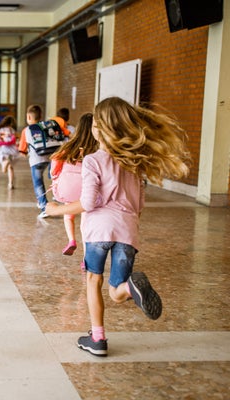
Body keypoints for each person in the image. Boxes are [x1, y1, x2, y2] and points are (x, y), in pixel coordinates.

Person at [46, 97, 191, 357]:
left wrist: (57, 210)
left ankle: (98, 338)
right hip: (128, 231)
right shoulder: (135, 163)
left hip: (99, 231)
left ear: (99, 129)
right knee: (115, 291)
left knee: (93, 280)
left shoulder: (93, 160)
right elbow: (140, 204)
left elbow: (89, 202)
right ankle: (130, 288)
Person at [49, 113, 99, 265]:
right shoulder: (96, 150)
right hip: (87, 190)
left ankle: (71, 240)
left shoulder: (69, 147)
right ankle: (86, 259)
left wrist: (56, 177)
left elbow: (54, 165)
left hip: (70, 189)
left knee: (68, 214)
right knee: (85, 223)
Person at [18, 104, 52, 218]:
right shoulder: (45, 126)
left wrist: (24, 153)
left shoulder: (26, 130)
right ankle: (42, 201)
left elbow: (22, 150)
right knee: (42, 180)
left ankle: (44, 207)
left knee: (38, 184)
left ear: (28, 117)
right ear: (40, 116)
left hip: (36, 161)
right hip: (47, 158)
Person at [0, 115, 18, 189]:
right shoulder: (12, 130)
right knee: (10, 167)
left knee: (4, 170)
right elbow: (14, 140)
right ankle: (10, 184)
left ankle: (6, 162)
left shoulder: (1, 130)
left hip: (3, 150)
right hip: (12, 150)